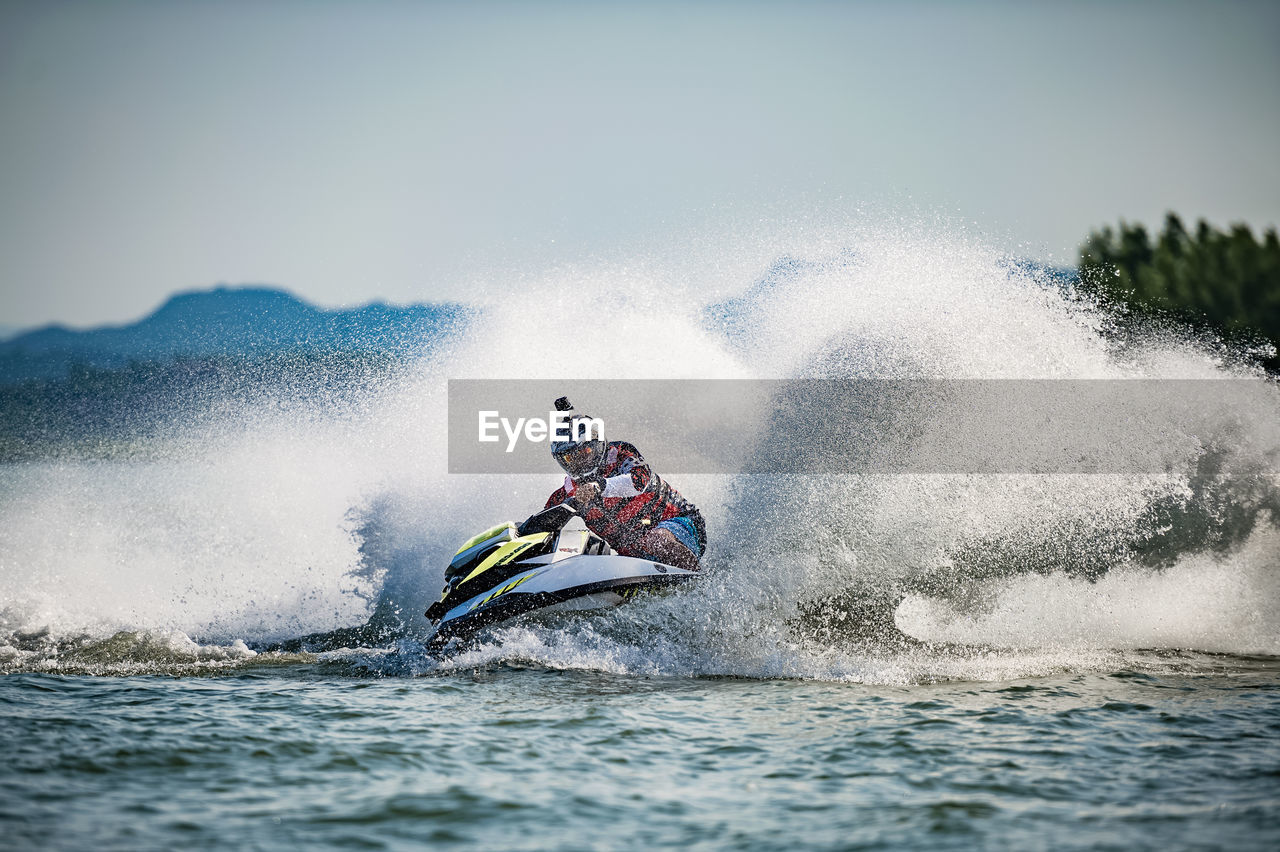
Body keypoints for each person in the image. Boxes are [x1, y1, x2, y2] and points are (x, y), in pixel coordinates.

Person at [519, 399, 706, 571]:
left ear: (598, 443)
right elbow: (539, 529)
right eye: (570, 458)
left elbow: (639, 481)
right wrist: (516, 534)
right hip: (636, 556)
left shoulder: (621, 454)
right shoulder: (567, 493)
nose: (579, 463)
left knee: (655, 540)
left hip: (682, 526)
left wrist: (598, 487)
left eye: (585, 452)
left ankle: (701, 585)